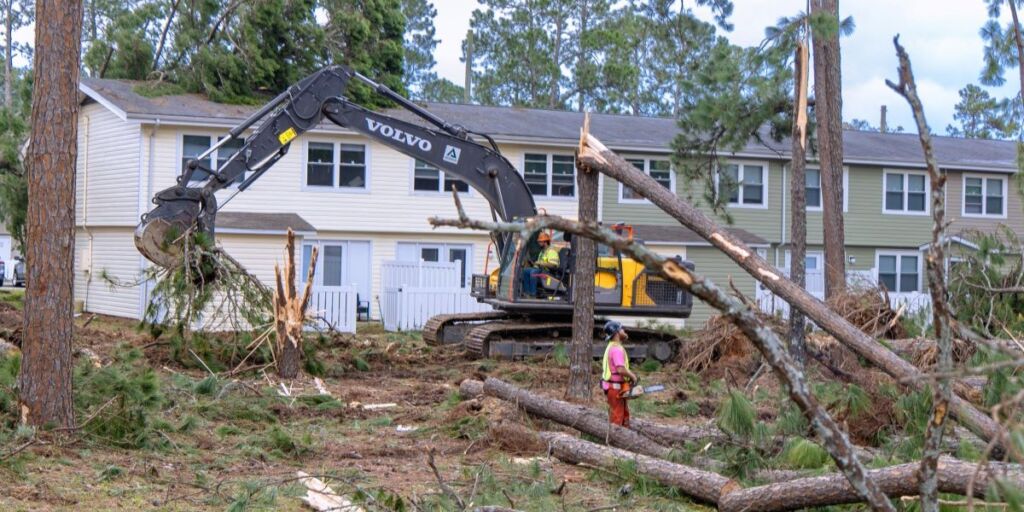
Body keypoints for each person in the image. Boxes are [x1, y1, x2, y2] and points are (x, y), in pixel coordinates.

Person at [601, 320, 638, 427]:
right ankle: (614, 441)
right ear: (617, 332)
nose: (624, 331)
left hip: (616, 386)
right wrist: (633, 376)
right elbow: (621, 369)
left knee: (624, 415)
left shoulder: (612, 346)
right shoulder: (616, 349)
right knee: (617, 418)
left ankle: (623, 440)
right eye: (622, 329)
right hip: (615, 388)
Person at [520, 231, 559, 296]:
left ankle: (533, 294)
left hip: (548, 272)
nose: (539, 243)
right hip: (540, 270)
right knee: (525, 271)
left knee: (533, 272)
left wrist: (541, 263)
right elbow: (538, 264)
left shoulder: (552, 251)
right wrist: (532, 263)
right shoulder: (542, 252)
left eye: (540, 241)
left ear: (545, 242)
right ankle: (527, 293)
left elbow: (553, 265)